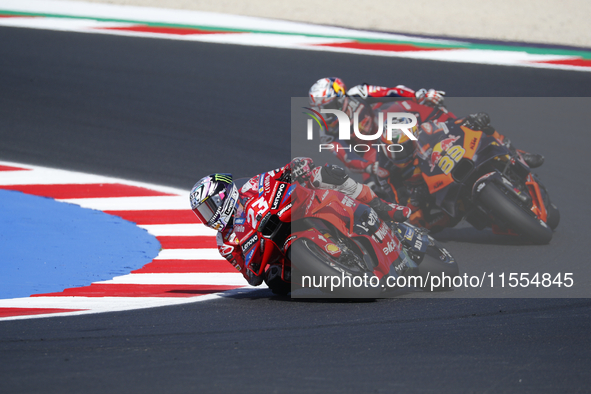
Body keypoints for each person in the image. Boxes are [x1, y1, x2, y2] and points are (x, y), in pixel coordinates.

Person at [189, 158, 411, 291]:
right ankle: (327, 275)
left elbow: (277, 174)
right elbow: (250, 276)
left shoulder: (249, 186)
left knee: (324, 174)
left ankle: (382, 207)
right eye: (202, 213)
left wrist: (296, 166)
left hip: (291, 211)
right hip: (275, 251)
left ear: (222, 195)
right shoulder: (225, 242)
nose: (208, 216)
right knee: (275, 280)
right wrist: (254, 267)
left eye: (209, 207)